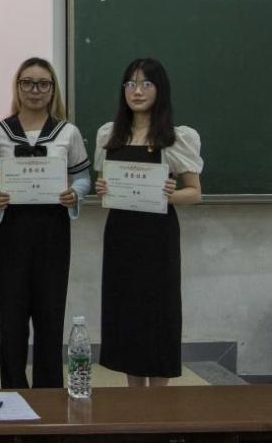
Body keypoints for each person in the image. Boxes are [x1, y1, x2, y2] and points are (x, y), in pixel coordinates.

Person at [94, 58, 203, 387]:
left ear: (160, 89)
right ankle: (134, 394)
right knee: (126, 310)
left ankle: (158, 398)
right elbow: (105, 185)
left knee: (158, 311)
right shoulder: (109, 134)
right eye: (130, 84)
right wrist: (103, 189)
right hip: (121, 232)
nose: (137, 91)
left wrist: (170, 195)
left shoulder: (177, 137)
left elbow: (194, 192)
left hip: (157, 234)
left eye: (146, 84)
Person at [0, 57, 92, 388]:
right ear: (17, 87)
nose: (35, 90)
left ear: (52, 89)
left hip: (52, 230)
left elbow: (83, 177)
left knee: (50, 313)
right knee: (11, 316)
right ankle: (13, 389)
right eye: (28, 83)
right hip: (11, 230)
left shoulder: (67, 132)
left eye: (43, 84)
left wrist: (75, 193)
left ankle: (49, 392)